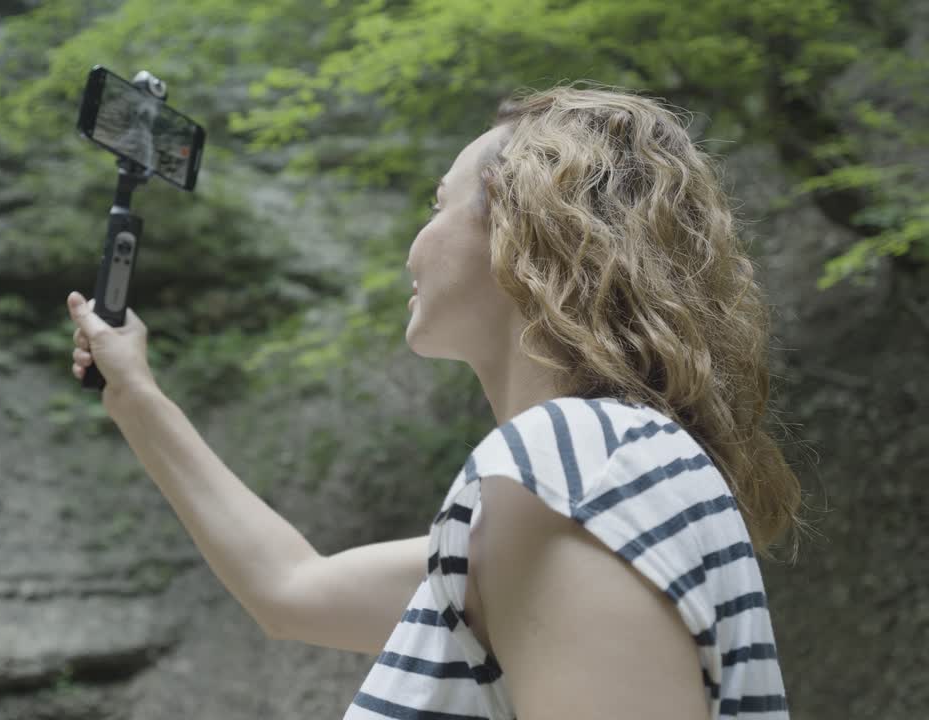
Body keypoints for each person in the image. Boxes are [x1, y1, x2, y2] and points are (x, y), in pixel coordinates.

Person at [66, 83, 802, 720]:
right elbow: (290, 591)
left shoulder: (576, 466)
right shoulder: (583, 476)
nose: (414, 245)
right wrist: (137, 395)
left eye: (439, 204)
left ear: (525, 230)